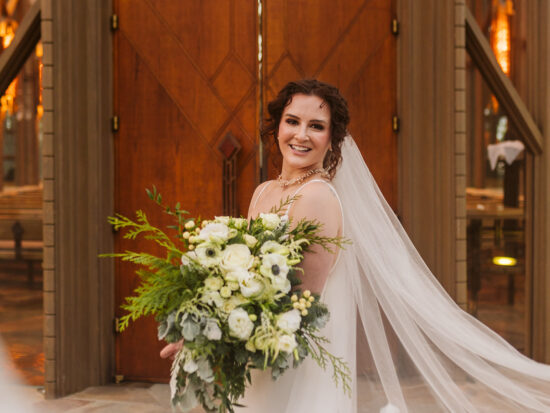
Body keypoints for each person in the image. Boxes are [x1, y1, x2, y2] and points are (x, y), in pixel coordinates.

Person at [163, 79, 550, 412]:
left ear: (332, 140)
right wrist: (206, 316)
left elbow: (299, 298)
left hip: (297, 359)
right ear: (276, 127)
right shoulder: (266, 190)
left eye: (316, 126)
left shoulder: (317, 197)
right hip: (262, 351)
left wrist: (211, 333)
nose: (301, 135)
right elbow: (246, 277)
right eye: (292, 121)